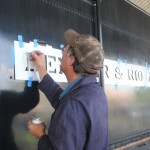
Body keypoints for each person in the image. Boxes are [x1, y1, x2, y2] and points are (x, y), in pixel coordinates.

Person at [27, 29, 108, 150]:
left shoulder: (73, 104)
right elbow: (63, 101)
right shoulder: (95, 91)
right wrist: (41, 69)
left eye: (64, 50)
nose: (62, 53)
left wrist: (41, 135)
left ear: (71, 60)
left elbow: (69, 106)